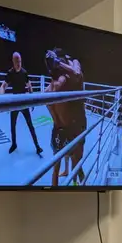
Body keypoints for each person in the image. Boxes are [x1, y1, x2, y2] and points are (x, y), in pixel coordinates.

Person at [44, 50, 87, 186]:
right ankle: (78, 185)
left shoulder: (48, 90)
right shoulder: (66, 81)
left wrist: (56, 63)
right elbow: (76, 74)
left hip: (58, 128)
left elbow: (76, 73)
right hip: (72, 125)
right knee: (76, 161)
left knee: (57, 165)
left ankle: (69, 181)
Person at [0, 52, 43, 156]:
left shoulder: (24, 72)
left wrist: (32, 100)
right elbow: (3, 86)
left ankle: (37, 146)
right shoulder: (10, 73)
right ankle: (14, 144)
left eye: (19, 61)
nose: (18, 63)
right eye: (16, 61)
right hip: (15, 103)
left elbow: (29, 86)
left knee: (30, 125)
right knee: (12, 125)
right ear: (13, 62)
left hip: (24, 102)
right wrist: (1, 99)